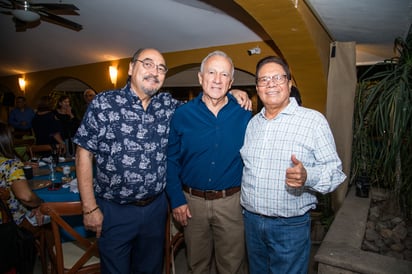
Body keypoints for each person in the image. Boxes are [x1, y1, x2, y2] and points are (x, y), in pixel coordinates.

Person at [73, 48, 252, 274]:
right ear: (130, 68)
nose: (154, 72)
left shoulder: (168, 106)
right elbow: (83, 153)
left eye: (160, 68)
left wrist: (235, 92)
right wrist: (89, 208)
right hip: (115, 209)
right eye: (147, 64)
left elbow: (211, 98)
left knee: (151, 268)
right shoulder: (104, 103)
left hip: (155, 209)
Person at [240, 56, 346, 274]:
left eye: (278, 77)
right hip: (251, 222)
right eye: (264, 79)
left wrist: (308, 176)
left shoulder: (313, 121)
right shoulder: (252, 124)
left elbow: (335, 172)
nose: (271, 83)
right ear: (258, 88)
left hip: (289, 227)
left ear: (289, 83)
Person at [166, 50, 251, 273]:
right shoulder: (182, 114)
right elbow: (171, 160)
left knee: (232, 266)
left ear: (231, 82)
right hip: (191, 203)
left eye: (224, 75)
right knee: (196, 265)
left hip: (231, 203)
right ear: (200, 77)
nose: (217, 79)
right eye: (211, 72)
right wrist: (176, 200)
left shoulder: (244, 114)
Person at [0, 122, 49, 273]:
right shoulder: (10, 166)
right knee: (52, 217)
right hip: (12, 224)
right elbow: (26, 197)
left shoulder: (12, 165)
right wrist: (40, 204)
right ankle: (53, 263)